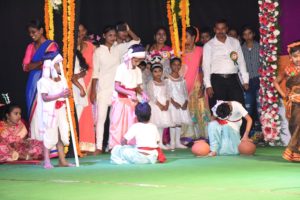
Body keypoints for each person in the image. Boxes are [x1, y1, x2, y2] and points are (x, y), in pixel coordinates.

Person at [22, 19, 59, 141]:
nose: (32, 35)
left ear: (41, 30)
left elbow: (52, 62)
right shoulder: (30, 46)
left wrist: (37, 63)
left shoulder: (51, 45)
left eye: (34, 32)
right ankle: (36, 144)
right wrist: (42, 62)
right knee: (34, 113)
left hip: (47, 82)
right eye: (30, 33)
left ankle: (49, 145)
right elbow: (25, 66)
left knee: (46, 111)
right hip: (32, 84)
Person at [37, 53, 74, 169]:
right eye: (58, 64)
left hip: (61, 109)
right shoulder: (44, 81)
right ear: (51, 66)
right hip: (50, 111)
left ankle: (62, 160)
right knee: (50, 134)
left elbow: (65, 94)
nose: (60, 66)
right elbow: (45, 97)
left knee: (61, 133)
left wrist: (67, 94)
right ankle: (47, 161)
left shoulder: (62, 79)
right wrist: (59, 95)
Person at [203, 19, 249, 110]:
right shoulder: (209, 45)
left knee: (239, 107)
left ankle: (242, 125)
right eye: (218, 29)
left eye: (223, 28)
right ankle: (219, 124)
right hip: (217, 81)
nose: (220, 31)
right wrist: (208, 85)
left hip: (233, 79)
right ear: (214, 29)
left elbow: (241, 62)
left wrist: (245, 81)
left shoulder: (235, 42)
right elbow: (206, 67)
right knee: (219, 109)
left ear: (227, 29)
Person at [109, 44, 148, 150]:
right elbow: (116, 86)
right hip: (121, 101)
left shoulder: (138, 70)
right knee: (118, 125)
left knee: (131, 124)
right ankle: (115, 147)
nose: (138, 63)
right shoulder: (121, 68)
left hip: (132, 102)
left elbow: (137, 87)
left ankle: (130, 147)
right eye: (137, 60)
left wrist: (143, 93)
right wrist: (129, 93)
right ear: (131, 57)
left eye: (140, 61)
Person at [90, 25, 121, 155]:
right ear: (104, 36)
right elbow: (95, 73)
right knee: (101, 119)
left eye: (114, 35)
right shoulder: (98, 51)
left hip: (116, 89)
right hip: (102, 89)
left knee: (114, 120)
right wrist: (93, 91)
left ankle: (112, 145)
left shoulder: (117, 50)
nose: (112, 38)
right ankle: (98, 146)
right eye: (110, 35)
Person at [181, 26, 211, 140]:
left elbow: (203, 68)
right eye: (182, 37)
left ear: (193, 37)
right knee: (186, 109)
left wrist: (203, 86)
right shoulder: (179, 52)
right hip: (183, 86)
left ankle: (204, 134)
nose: (183, 39)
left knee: (201, 107)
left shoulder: (201, 50)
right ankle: (188, 135)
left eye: (186, 37)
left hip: (198, 84)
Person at [74, 23, 96, 154]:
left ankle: (86, 145)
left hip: (88, 82)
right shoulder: (70, 47)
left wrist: (92, 88)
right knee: (76, 112)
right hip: (76, 82)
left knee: (86, 112)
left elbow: (94, 68)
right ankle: (75, 144)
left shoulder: (91, 47)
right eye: (78, 31)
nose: (80, 34)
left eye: (82, 31)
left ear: (86, 31)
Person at [274, 41, 300, 146]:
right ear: (290, 57)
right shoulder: (288, 70)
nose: (298, 59)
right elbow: (276, 82)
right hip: (293, 103)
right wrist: (284, 95)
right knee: (294, 124)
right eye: (295, 56)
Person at [167, 57, 192, 149]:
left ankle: (177, 142)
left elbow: (185, 91)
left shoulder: (182, 78)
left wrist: (186, 101)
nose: (176, 67)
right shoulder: (168, 78)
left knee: (179, 122)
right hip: (173, 102)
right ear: (170, 65)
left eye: (178, 65)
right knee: (173, 122)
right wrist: (173, 102)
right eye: (174, 64)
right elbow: (167, 93)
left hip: (181, 101)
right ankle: (172, 142)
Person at [147, 63, 173, 150]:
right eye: (155, 72)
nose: (158, 73)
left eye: (159, 71)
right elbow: (151, 96)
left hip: (164, 104)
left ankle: (160, 143)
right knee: (155, 125)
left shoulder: (165, 82)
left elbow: (167, 94)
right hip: (155, 105)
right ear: (152, 73)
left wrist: (167, 104)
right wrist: (160, 105)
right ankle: (154, 143)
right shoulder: (151, 83)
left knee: (161, 125)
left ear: (162, 72)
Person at [241, 26, 261, 136]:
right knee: (248, 108)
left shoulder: (260, 47)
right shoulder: (240, 49)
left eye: (249, 33)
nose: (247, 36)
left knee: (260, 108)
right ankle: (249, 132)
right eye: (245, 34)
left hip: (259, 80)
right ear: (243, 36)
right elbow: (239, 67)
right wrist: (244, 82)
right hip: (247, 82)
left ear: (253, 34)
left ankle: (261, 132)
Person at [282, 74, 300, 162]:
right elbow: (288, 88)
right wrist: (290, 96)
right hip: (295, 106)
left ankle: (293, 150)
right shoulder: (292, 74)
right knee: (295, 127)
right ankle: (295, 154)